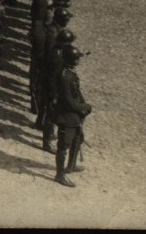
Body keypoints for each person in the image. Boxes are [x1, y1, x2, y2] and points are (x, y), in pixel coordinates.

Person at [53, 45, 91, 187]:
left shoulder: (69, 71)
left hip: (74, 115)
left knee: (78, 139)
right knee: (63, 146)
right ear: (71, 60)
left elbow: (77, 92)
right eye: (77, 59)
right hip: (67, 116)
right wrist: (84, 108)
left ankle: (71, 165)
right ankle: (60, 174)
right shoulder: (65, 76)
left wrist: (83, 105)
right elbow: (68, 101)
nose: (79, 61)